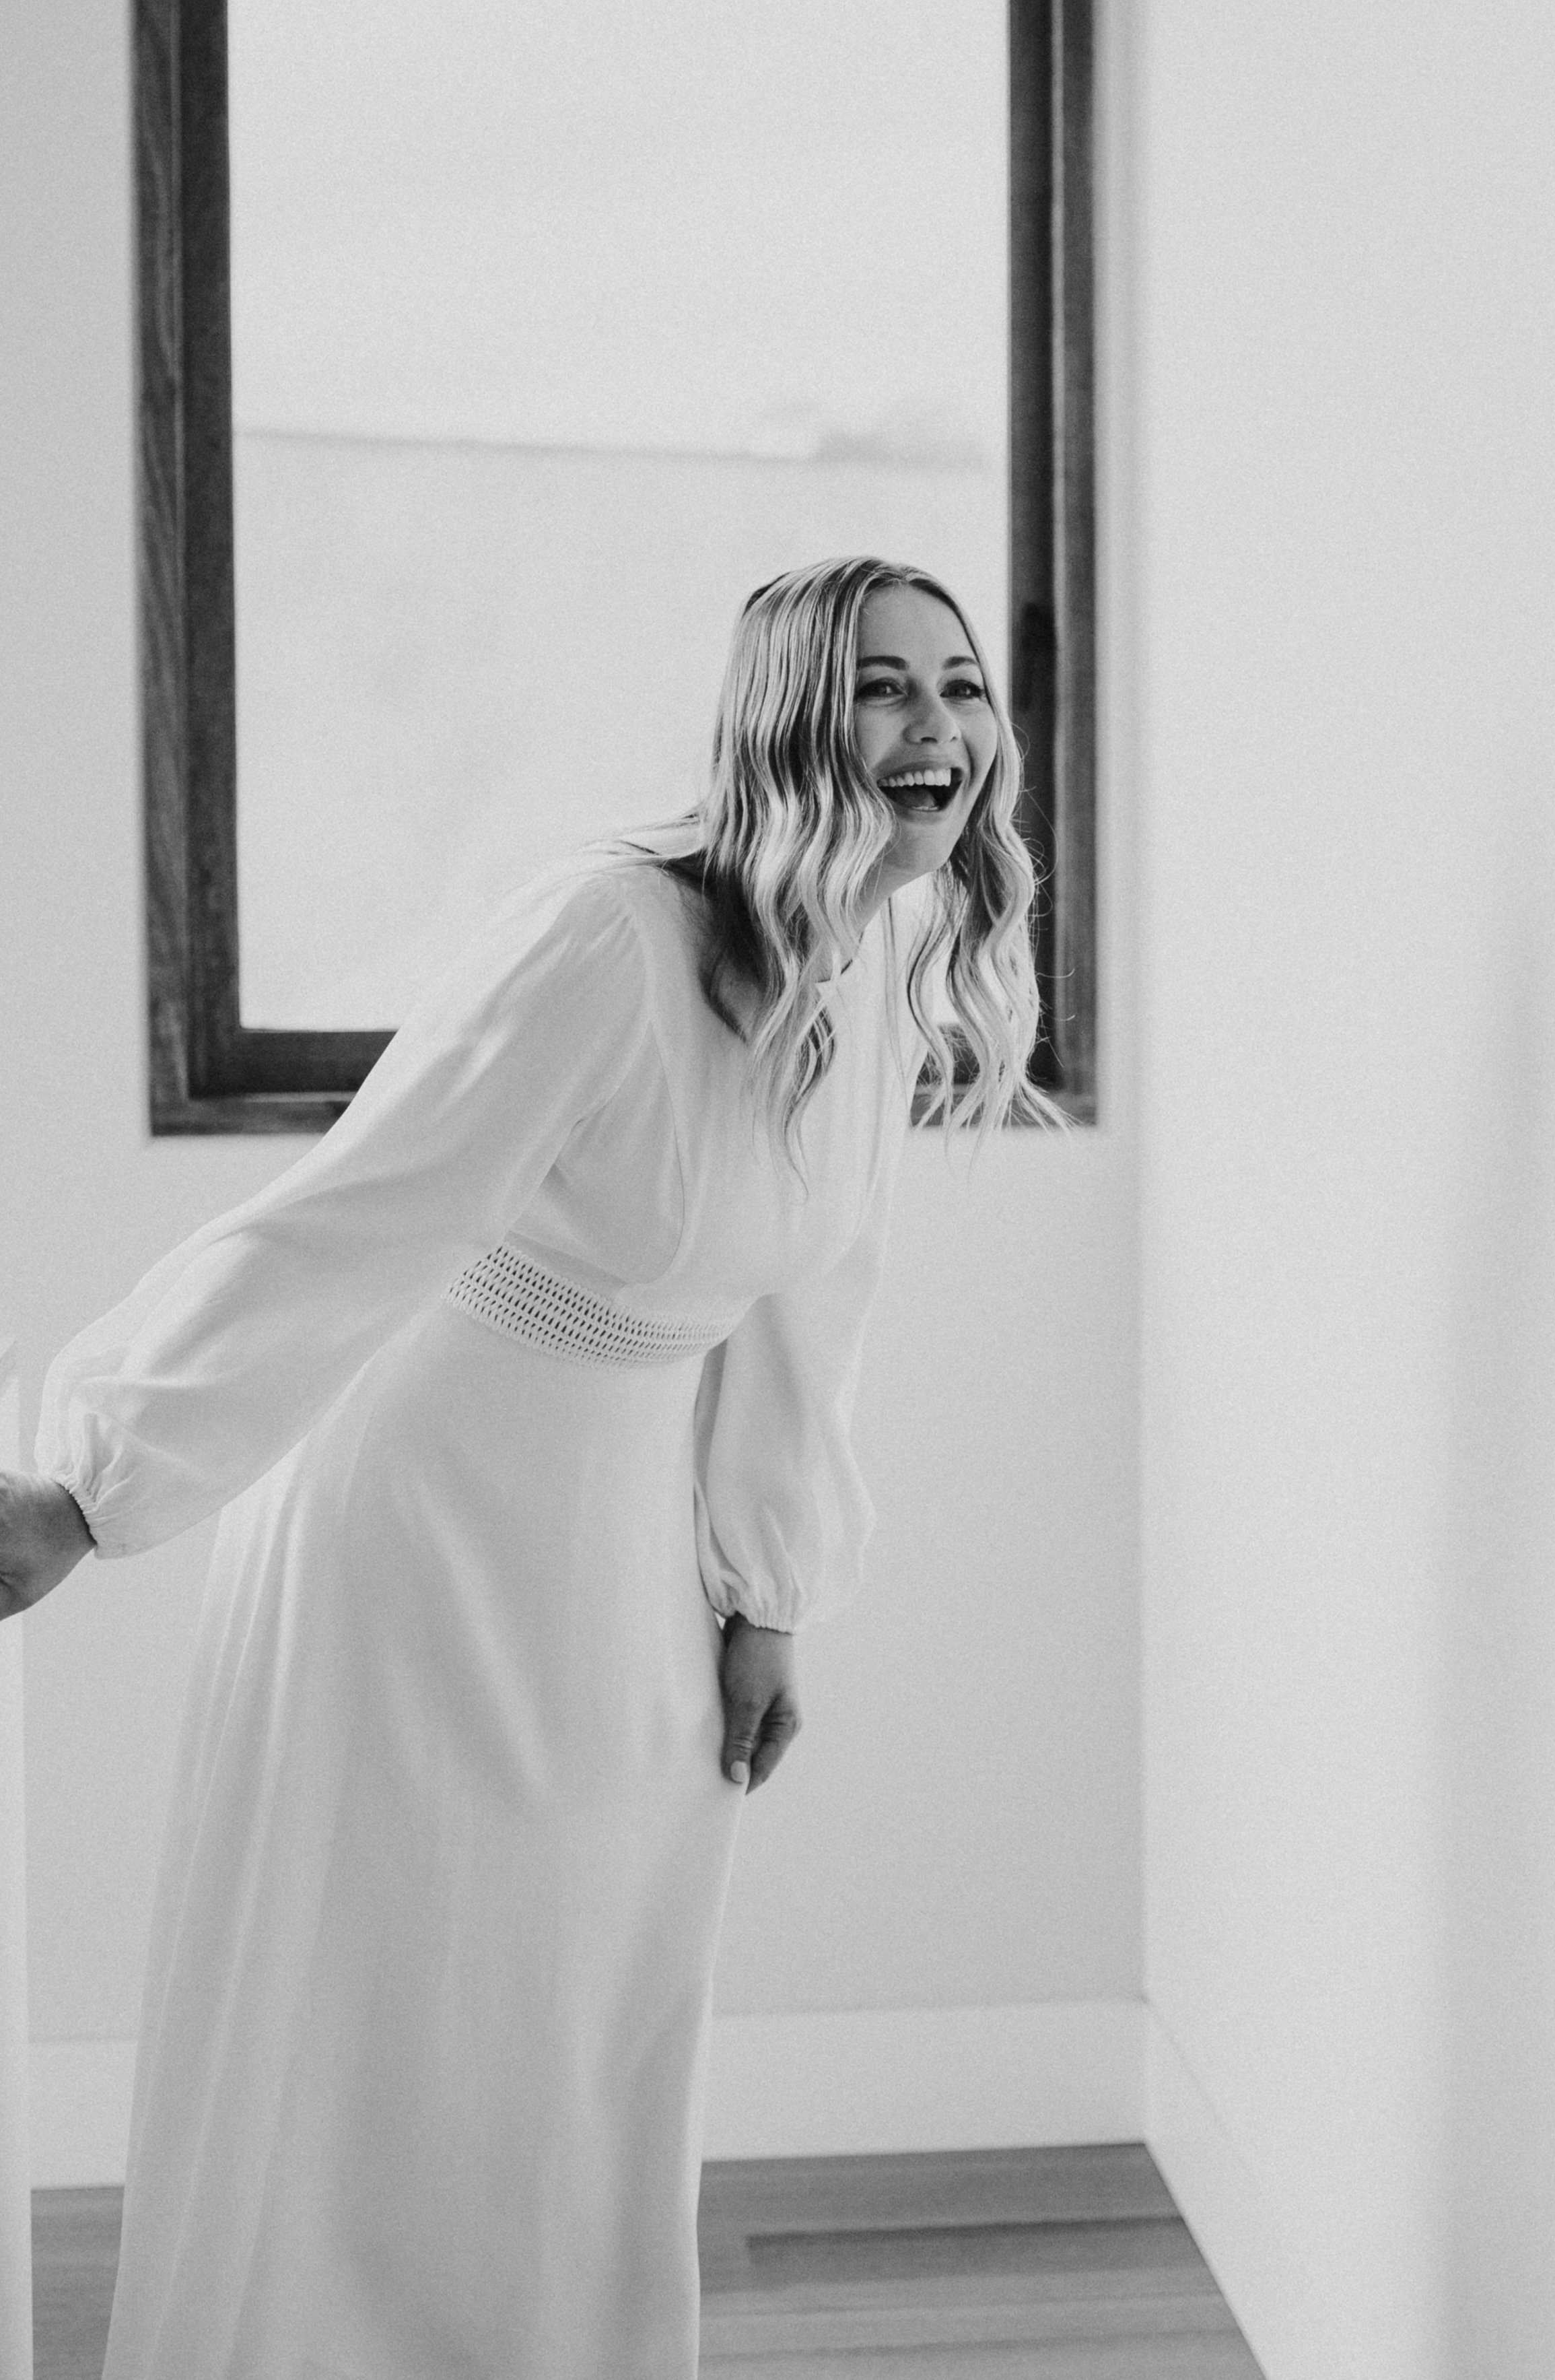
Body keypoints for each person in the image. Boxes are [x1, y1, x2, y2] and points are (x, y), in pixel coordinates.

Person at [0, 554, 1058, 2380]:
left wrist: (768, 1599)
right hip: (423, 1518)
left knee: (575, 2020)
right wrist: (99, 1481)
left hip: (624, 1543)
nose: (938, 730)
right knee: (399, 2012)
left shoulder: (879, 946)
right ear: (786, 717)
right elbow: (358, 1213)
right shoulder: (607, 930)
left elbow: (812, 1301)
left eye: (960, 689)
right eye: (885, 688)